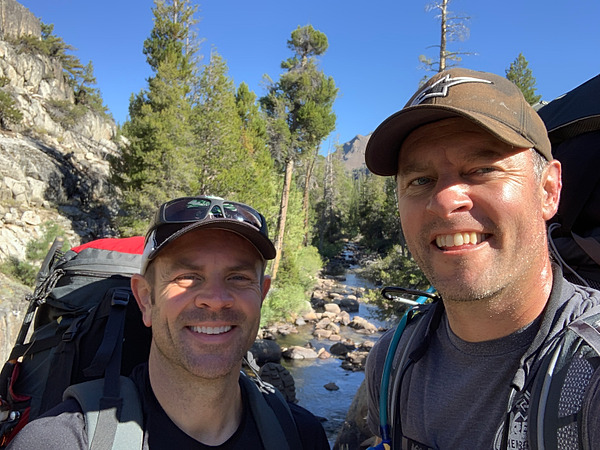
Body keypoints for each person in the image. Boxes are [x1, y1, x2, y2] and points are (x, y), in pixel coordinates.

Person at [363, 68, 600, 449]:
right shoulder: (392, 361)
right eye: (420, 180)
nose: (445, 200)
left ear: (548, 191)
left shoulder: (592, 374)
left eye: (482, 169)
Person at [7, 195, 330, 449]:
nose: (216, 298)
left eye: (238, 277)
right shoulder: (58, 441)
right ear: (146, 299)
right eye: (187, 276)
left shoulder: (301, 436)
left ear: (262, 294)